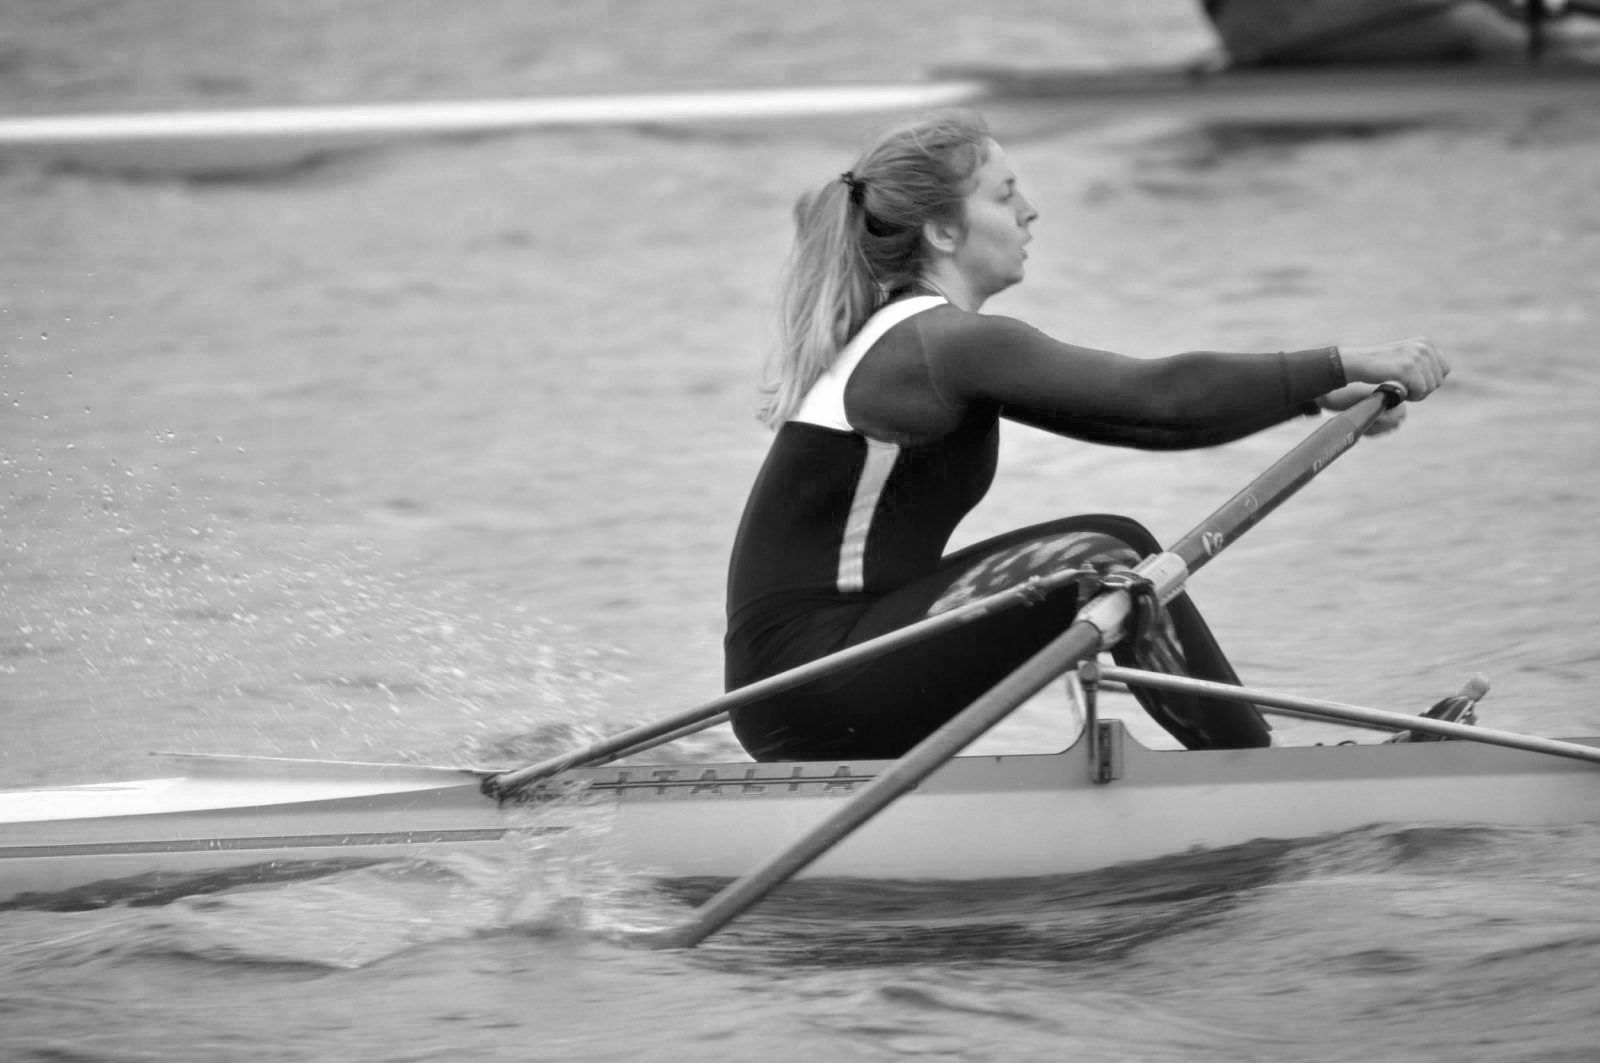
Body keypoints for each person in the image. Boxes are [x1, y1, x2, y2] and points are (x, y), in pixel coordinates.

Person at [723, 110, 1448, 763]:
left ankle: (1250, 760)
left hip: (824, 676)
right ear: (943, 231)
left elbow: (1143, 422)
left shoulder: (924, 344)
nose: (1030, 211)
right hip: (812, 681)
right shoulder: (938, 344)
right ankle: (1257, 769)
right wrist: (1341, 360)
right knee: (1101, 558)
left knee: (1117, 539)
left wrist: (1310, 394)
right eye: (1004, 196)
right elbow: (1162, 398)